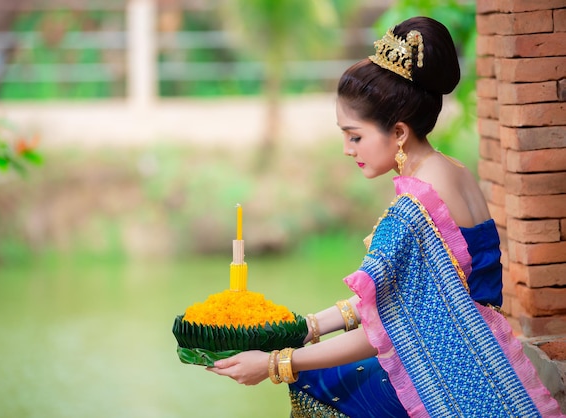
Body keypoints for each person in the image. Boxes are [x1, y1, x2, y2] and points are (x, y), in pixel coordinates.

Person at [207, 16, 565, 417]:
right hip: (488, 363)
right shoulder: (454, 172)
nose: (347, 149)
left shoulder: (411, 213)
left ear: (398, 133)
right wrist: (307, 327)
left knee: (317, 384)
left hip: (448, 380)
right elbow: (404, 299)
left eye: (355, 136)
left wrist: (277, 364)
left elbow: (390, 329)